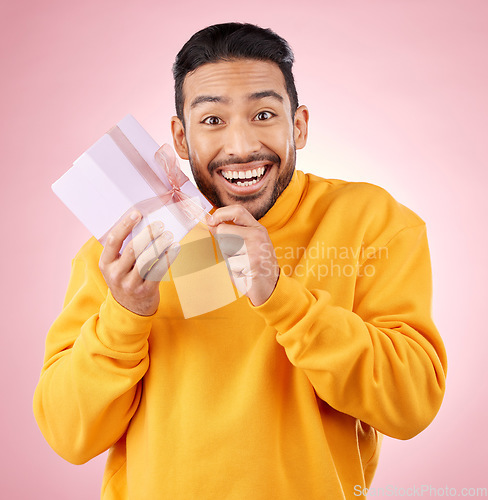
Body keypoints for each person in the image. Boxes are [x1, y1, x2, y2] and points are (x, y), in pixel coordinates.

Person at [33, 22, 447, 499]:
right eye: (212, 121)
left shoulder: (371, 221)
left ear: (300, 125)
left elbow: (411, 406)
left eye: (264, 113)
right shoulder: (122, 250)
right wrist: (125, 316)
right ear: (181, 138)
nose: (241, 146)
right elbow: (69, 437)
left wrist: (281, 297)